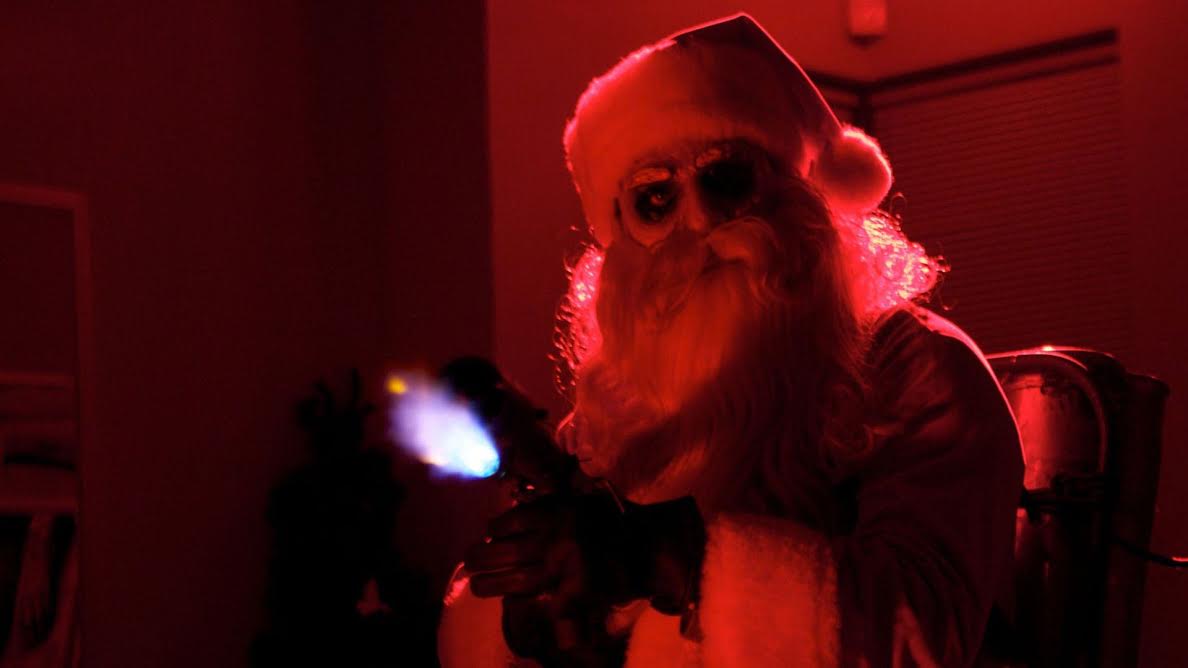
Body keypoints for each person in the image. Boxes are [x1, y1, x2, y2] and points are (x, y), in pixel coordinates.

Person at [439, 13, 1023, 667]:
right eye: (655, 199)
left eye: (726, 178)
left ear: (801, 195)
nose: (701, 219)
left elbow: (919, 633)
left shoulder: (919, 370)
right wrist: (529, 608)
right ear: (620, 244)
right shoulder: (614, 410)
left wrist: (668, 559)